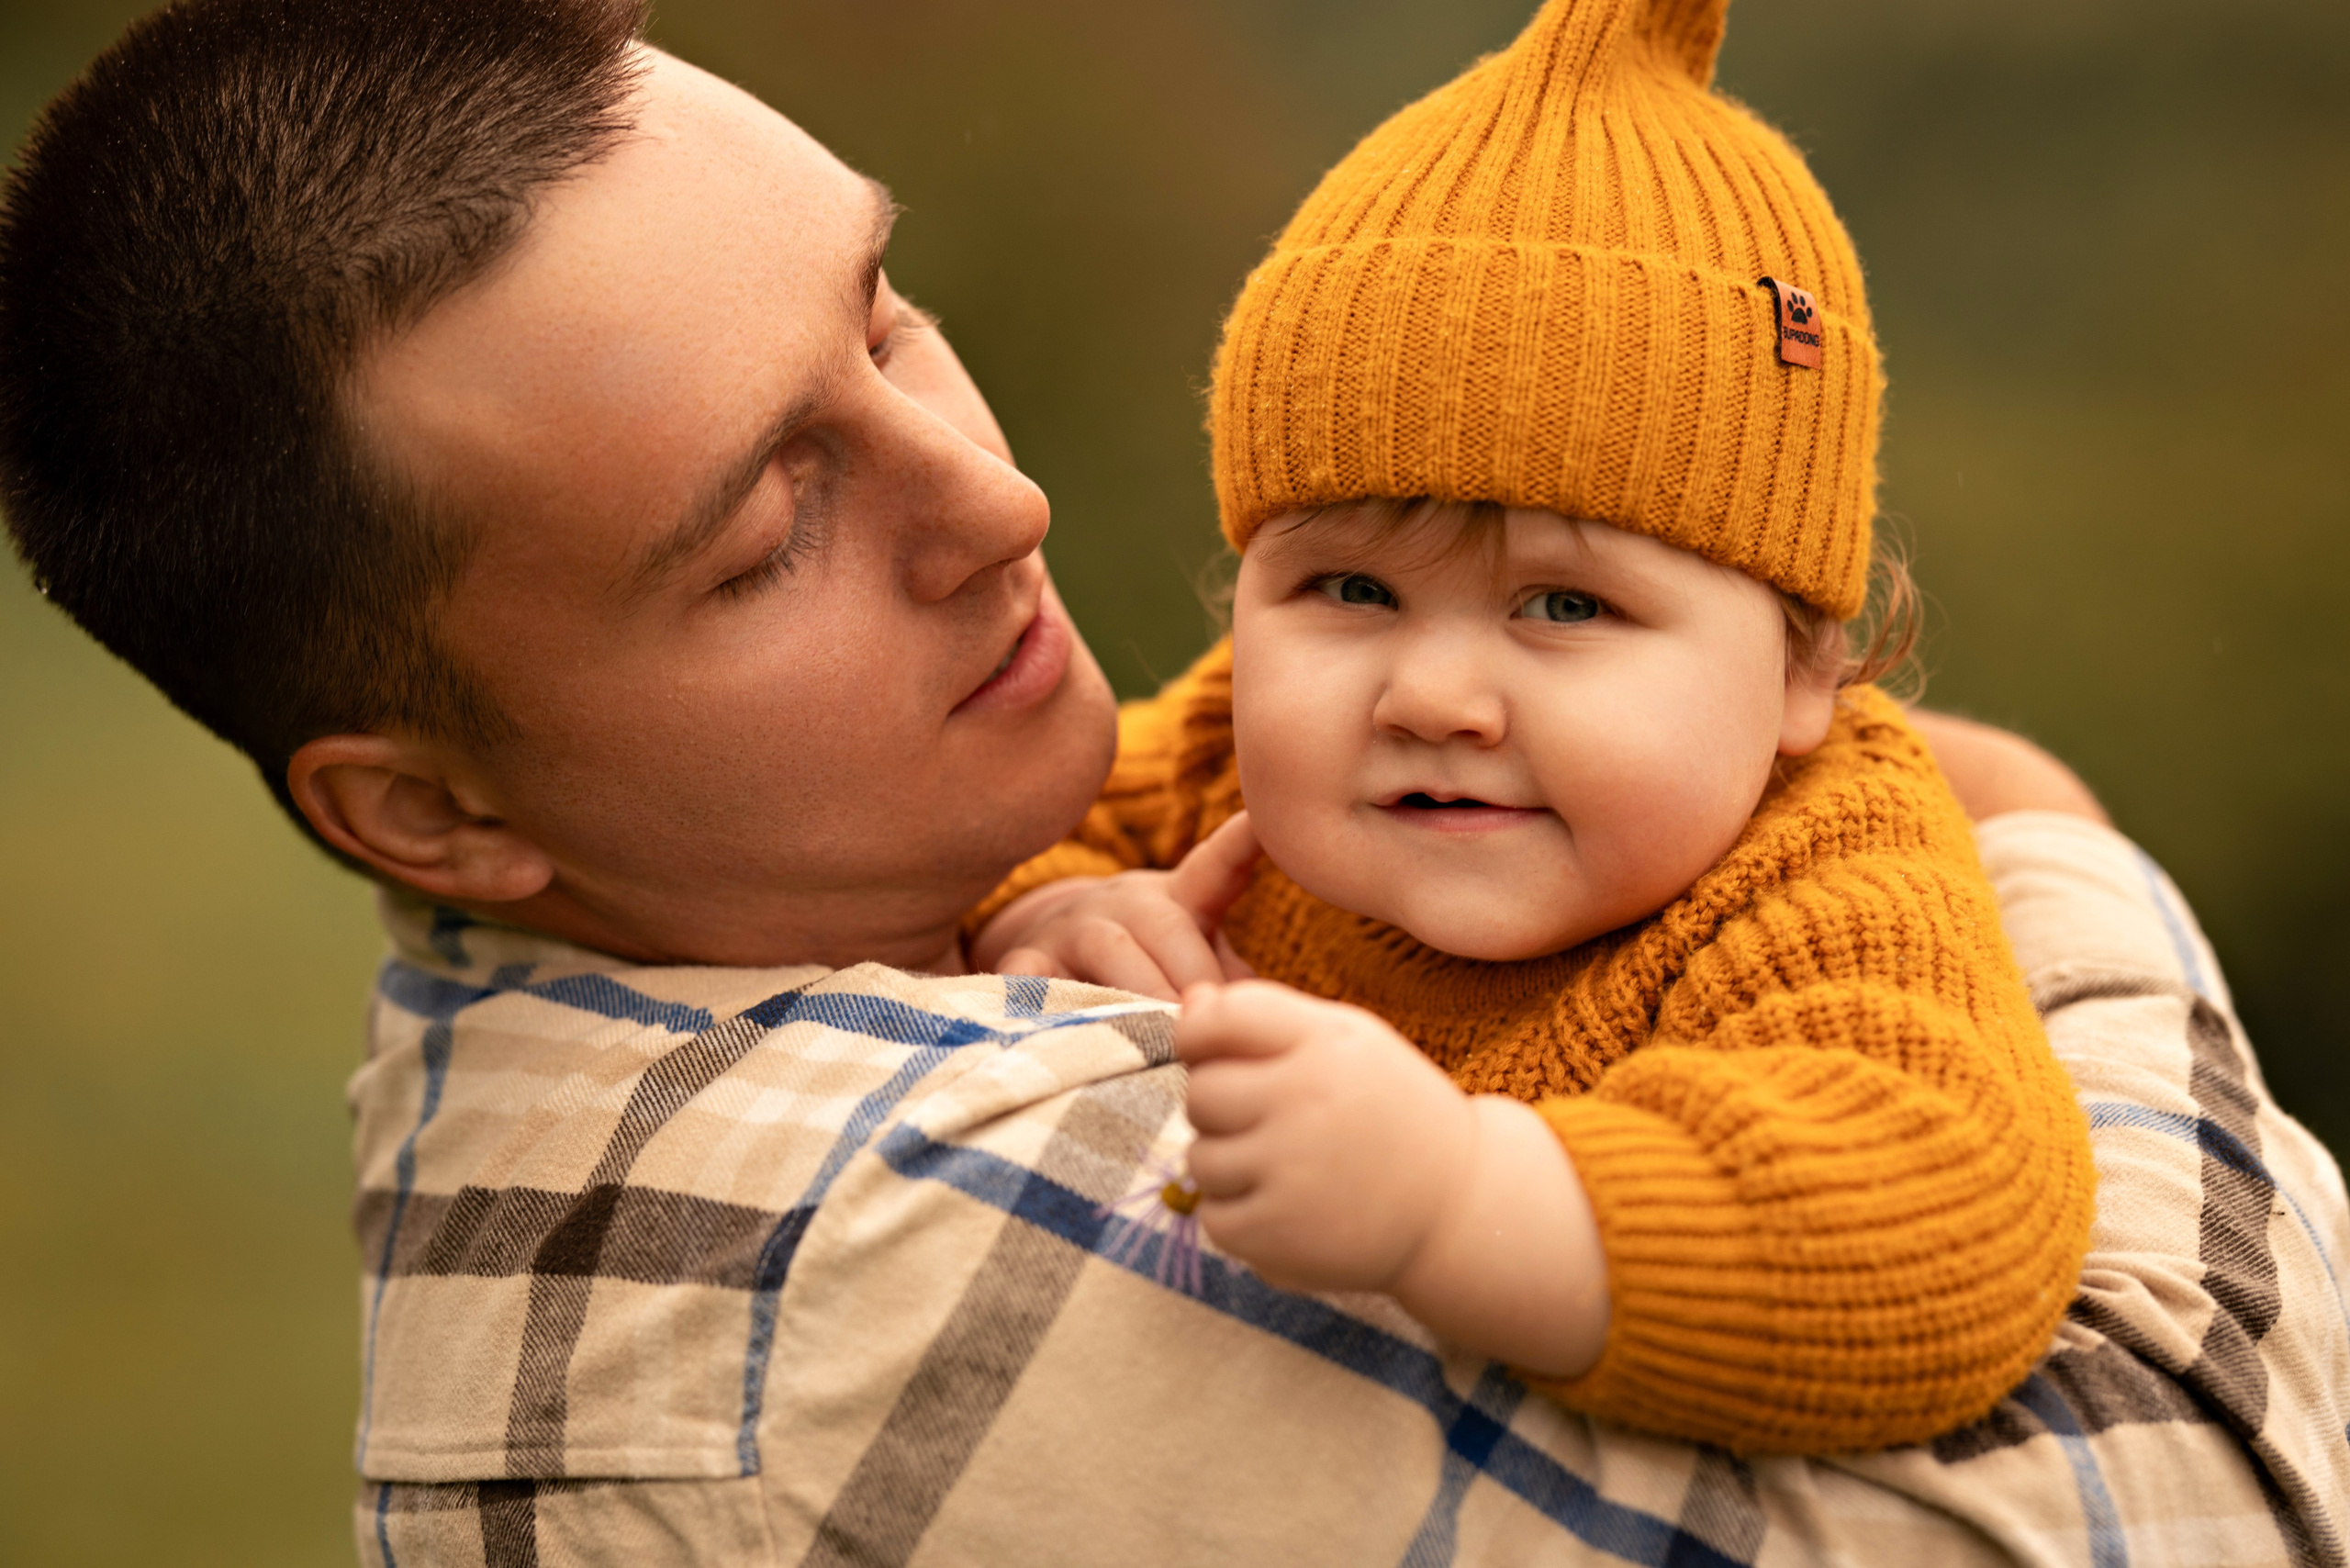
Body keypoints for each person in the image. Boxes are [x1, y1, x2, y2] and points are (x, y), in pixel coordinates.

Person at [0, 1, 2342, 1563]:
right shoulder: (880, 1249)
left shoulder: (932, 895)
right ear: (425, 816)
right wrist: (2027, 845)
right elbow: (2200, 1512)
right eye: (769, 524)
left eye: (887, 310)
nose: (994, 503)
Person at [968, 0, 2098, 1455]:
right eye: (1351, 587)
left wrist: (1466, 1200)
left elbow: (1947, 1225)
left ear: (1811, 667)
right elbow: (980, 823)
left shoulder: (1821, 880)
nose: (1434, 696)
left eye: (1566, 609)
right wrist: (1045, 911)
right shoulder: (1219, 764)